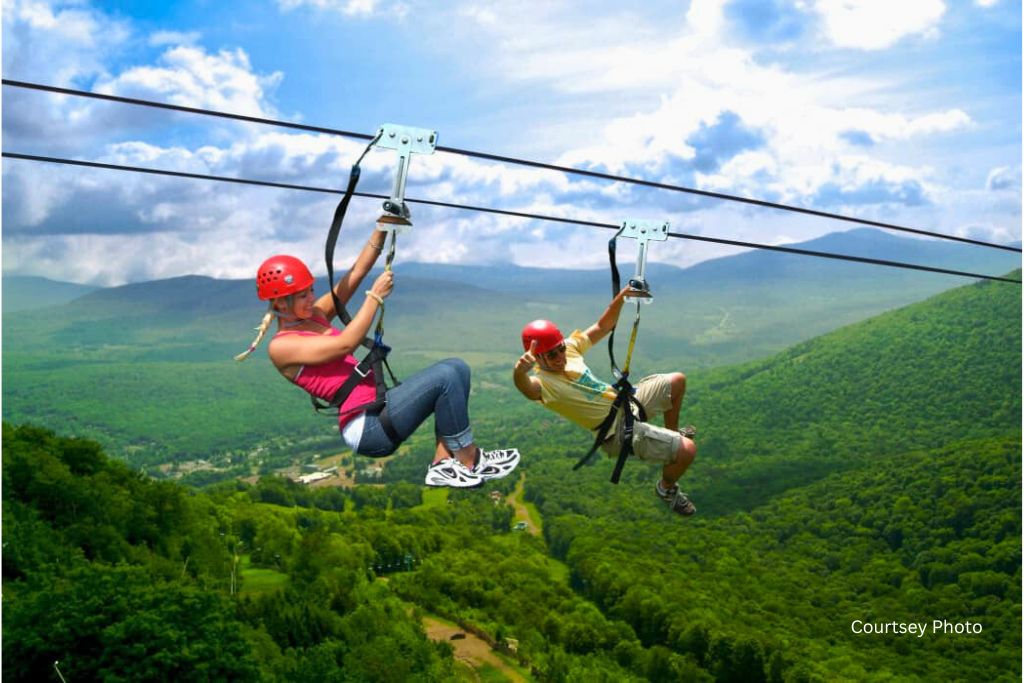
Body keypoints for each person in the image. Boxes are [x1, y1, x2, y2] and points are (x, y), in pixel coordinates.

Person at [236, 226, 519, 488]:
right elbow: (346, 344)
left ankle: (443, 463)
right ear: (279, 302)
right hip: (367, 428)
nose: (311, 298)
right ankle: (470, 459)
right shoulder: (282, 346)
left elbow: (356, 272)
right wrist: (375, 297)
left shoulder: (316, 316)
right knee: (445, 378)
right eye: (301, 296)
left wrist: (382, 227)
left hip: (378, 410)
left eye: (310, 290)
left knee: (456, 368)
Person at [512, 286, 698, 516]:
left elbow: (603, 326)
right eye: (551, 354)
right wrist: (520, 373)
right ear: (537, 358)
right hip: (615, 432)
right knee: (688, 451)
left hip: (627, 404)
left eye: (559, 348)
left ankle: (672, 435)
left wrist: (622, 297)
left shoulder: (569, 350)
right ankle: (666, 489)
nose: (560, 356)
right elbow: (527, 390)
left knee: (677, 381)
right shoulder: (544, 385)